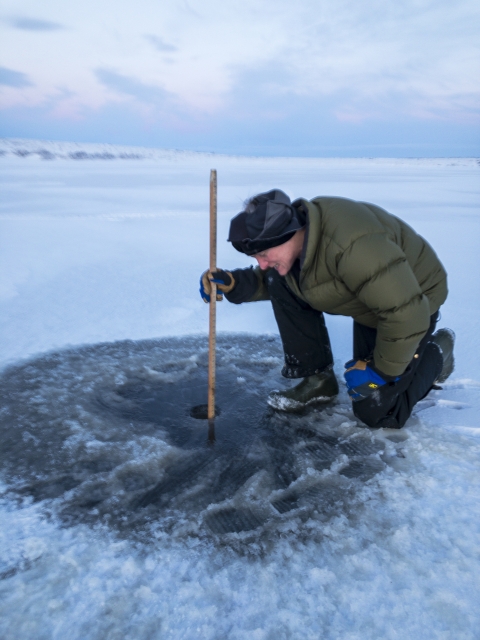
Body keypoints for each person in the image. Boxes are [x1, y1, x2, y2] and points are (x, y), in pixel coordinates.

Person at [199, 189, 454, 429]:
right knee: (281, 278)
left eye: (264, 254)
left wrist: (380, 372)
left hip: (414, 303)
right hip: (374, 302)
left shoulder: (353, 247)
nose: (262, 264)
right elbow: (278, 280)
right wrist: (234, 284)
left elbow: (406, 314)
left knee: (378, 412)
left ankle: (437, 352)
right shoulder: (301, 239)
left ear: (286, 234)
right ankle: (318, 380)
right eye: (256, 258)